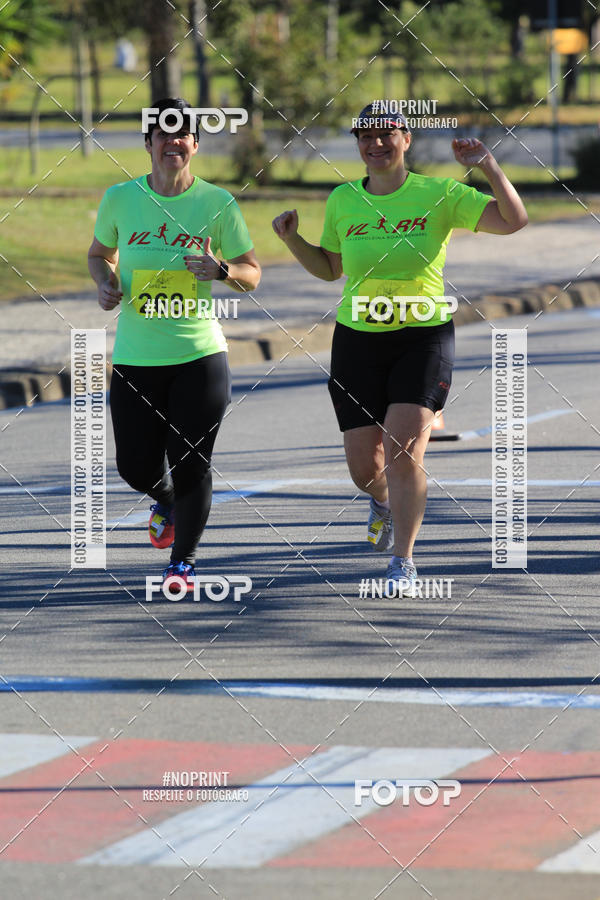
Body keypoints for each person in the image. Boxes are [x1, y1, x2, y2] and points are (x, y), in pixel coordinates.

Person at [272, 102, 527, 592]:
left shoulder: (439, 194)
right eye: (364, 137)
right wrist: (292, 240)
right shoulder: (344, 199)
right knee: (365, 470)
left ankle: (403, 561)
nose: (375, 144)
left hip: (422, 337)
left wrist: (488, 167)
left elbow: (513, 220)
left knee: (403, 450)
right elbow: (330, 269)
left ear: (406, 138)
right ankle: (381, 501)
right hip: (357, 340)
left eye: (385, 134)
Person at [88, 97, 261, 590]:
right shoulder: (120, 198)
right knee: (134, 466)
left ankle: (182, 563)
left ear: (195, 143)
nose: (173, 141)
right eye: (162, 133)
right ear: (147, 143)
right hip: (136, 358)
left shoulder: (217, 203)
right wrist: (105, 281)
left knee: (193, 463)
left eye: (182, 132)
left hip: (199, 354)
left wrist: (222, 270)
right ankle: (162, 498)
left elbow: (252, 272)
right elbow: (100, 254)